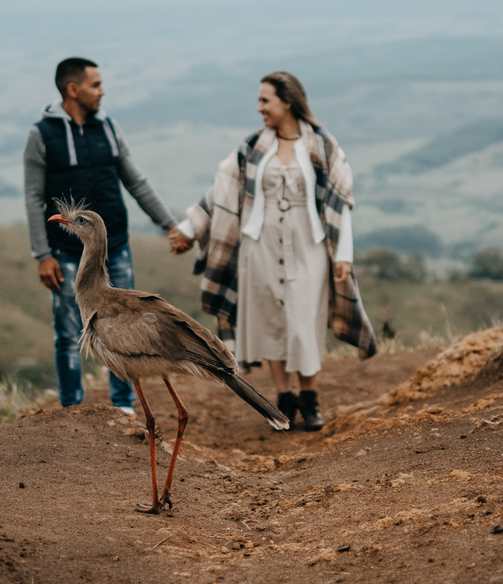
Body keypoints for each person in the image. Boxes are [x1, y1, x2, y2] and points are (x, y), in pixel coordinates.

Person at [170, 71, 377, 430]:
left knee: (304, 320)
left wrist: (343, 254)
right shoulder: (253, 147)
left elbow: (340, 202)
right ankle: (283, 396)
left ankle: (309, 397)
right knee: (269, 320)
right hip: (259, 246)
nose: (259, 107)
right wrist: (189, 230)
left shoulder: (323, 146)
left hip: (308, 246)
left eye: (265, 100)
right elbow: (219, 191)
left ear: (288, 102)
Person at [25, 57, 187, 413]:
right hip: (66, 252)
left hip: (117, 248)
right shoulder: (42, 135)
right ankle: (72, 410)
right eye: (95, 85)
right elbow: (34, 196)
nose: (102, 91)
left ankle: (123, 406)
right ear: (73, 89)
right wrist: (42, 254)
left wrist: (169, 225)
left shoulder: (109, 128)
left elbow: (135, 181)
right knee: (71, 333)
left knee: (121, 333)